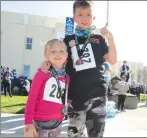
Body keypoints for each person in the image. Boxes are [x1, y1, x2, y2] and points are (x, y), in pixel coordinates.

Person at [41, 0, 117, 137]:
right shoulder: (67, 40)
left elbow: (112, 60)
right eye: (80, 14)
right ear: (74, 18)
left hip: (97, 95)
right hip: (75, 97)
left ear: (93, 18)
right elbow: (58, 59)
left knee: (96, 134)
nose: (84, 18)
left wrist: (110, 38)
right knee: (75, 134)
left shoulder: (99, 39)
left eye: (88, 14)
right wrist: (47, 63)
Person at [24, 39, 69, 137]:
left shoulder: (67, 77)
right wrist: (28, 122)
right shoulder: (41, 74)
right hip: (40, 122)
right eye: (53, 51)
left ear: (66, 55)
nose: (58, 54)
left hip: (58, 122)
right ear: (46, 54)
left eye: (61, 51)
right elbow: (31, 99)